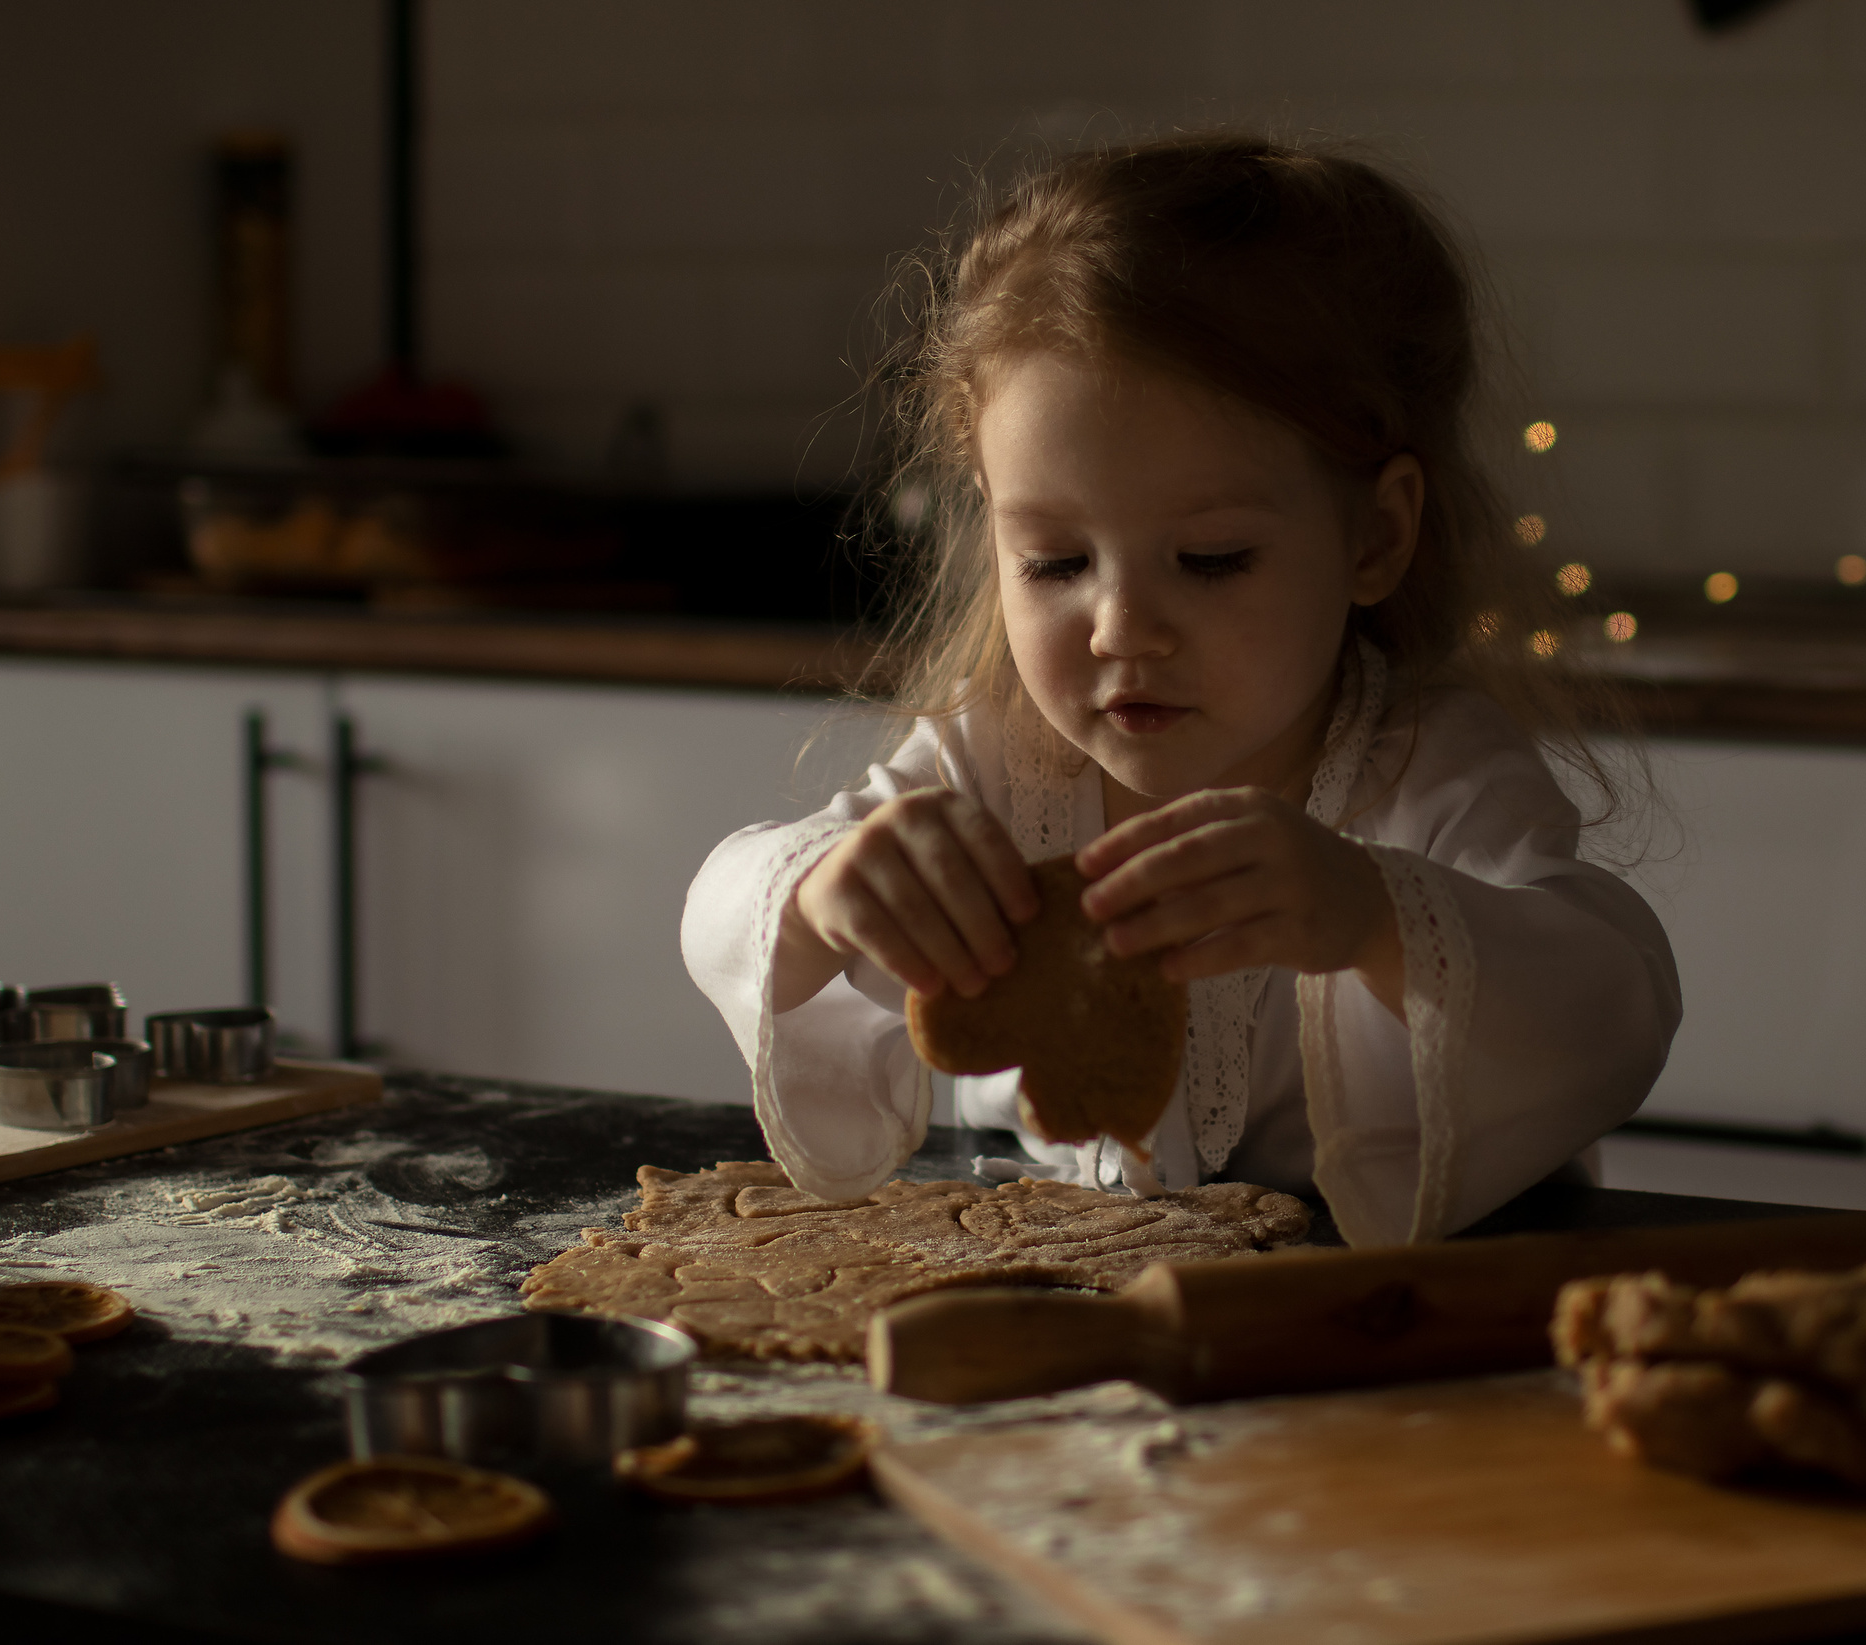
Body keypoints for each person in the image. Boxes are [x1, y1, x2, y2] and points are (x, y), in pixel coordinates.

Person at [683, 134, 1679, 1247]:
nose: (1119, 628)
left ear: (1376, 534)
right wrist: (822, 892)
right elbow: (722, 904)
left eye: (1208, 561)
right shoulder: (991, 765)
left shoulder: (1427, 767)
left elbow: (1612, 1002)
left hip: (1391, 1326)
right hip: (1074, 1297)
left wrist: (1373, 914)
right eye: (1056, 562)